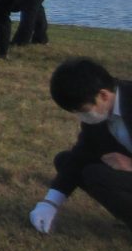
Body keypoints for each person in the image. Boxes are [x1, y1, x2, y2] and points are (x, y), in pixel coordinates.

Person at [29, 58, 132, 234]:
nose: (82, 117)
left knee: (97, 175)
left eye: (83, 111)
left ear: (104, 95)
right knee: (66, 161)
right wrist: (50, 202)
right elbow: (82, 154)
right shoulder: (101, 113)